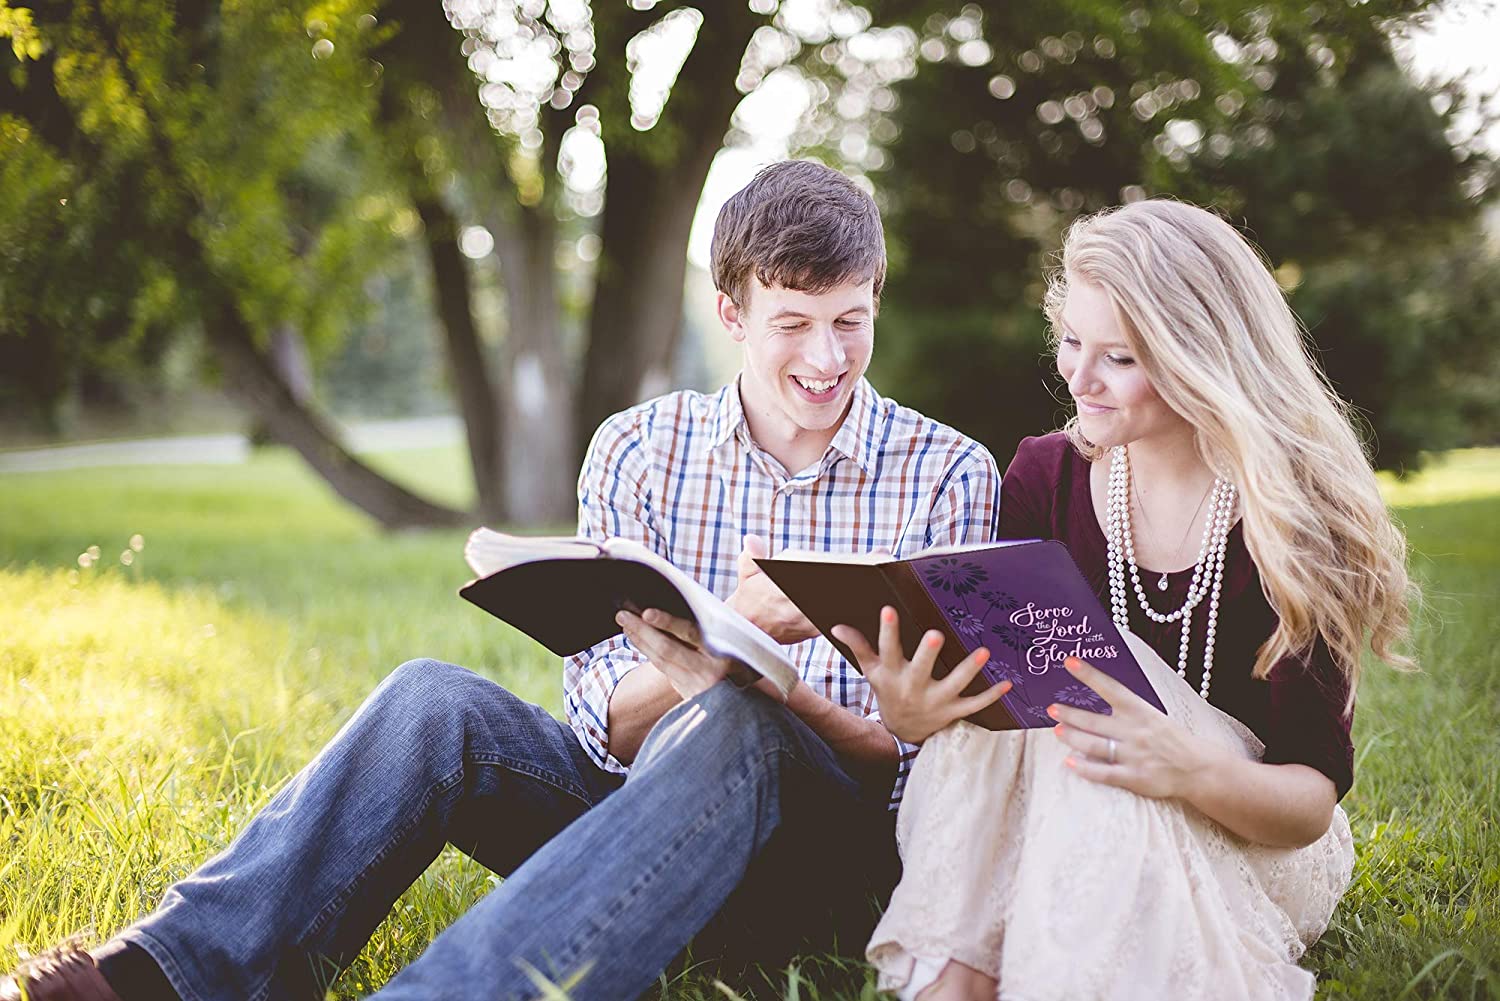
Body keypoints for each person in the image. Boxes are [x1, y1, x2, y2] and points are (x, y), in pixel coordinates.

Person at [1, 161, 1002, 1001]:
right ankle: (165, 973)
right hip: (632, 825)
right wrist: (711, 652)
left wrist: (759, 684)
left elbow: (917, 771)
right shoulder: (641, 450)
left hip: (823, 860)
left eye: (851, 320)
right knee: (436, 699)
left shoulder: (949, 475)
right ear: (731, 311)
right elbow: (602, 723)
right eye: (795, 322)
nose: (828, 358)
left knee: (738, 722)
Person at [835, 199, 1415, 1001]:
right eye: (1073, 341)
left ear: (1197, 358)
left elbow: (1308, 804)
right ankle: (960, 982)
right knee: (1048, 688)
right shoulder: (1045, 474)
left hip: (1246, 831)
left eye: (1120, 357)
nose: (1077, 375)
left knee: (1095, 678)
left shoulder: (1293, 522)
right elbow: (993, 711)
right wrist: (914, 713)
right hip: (1067, 805)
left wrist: (1183, 767)